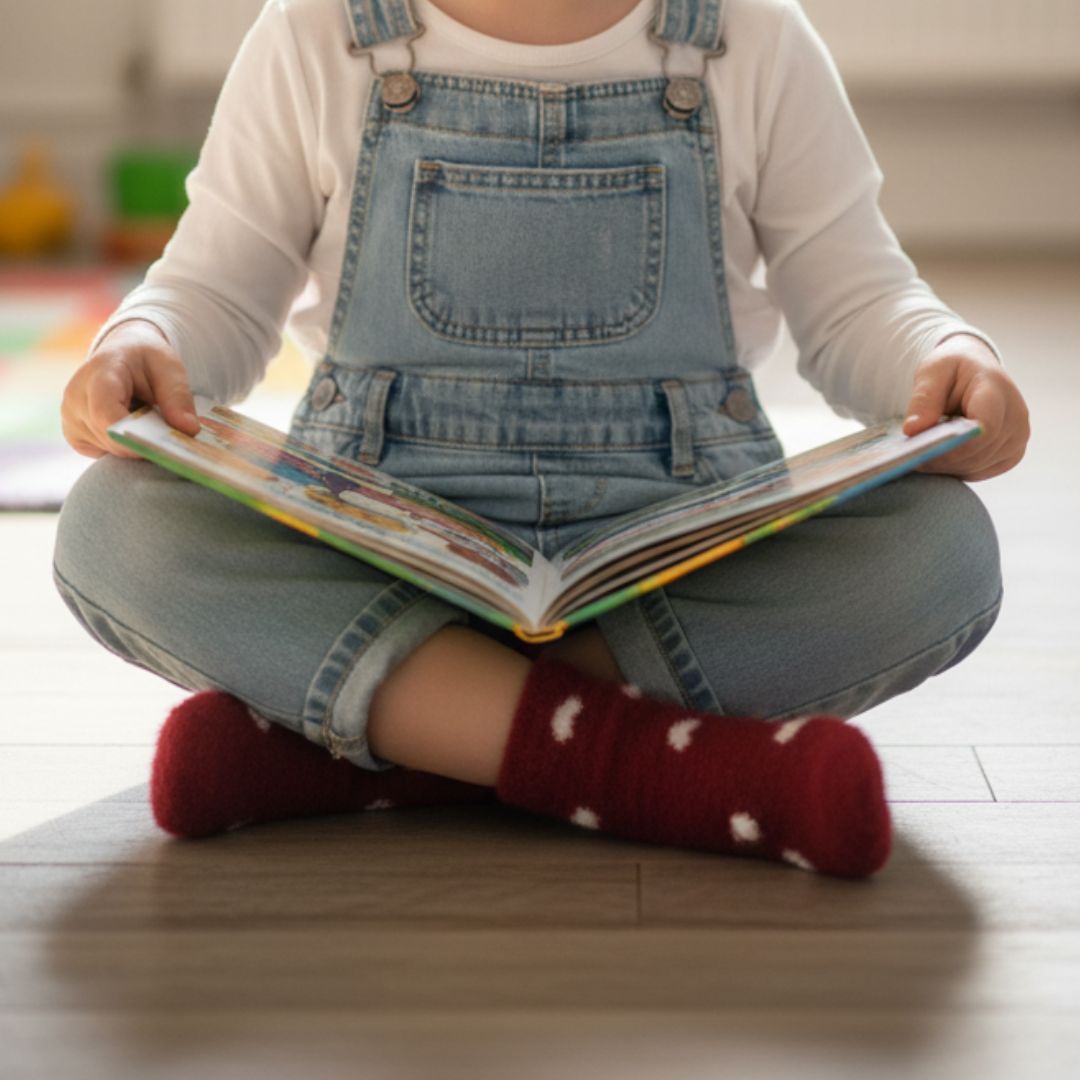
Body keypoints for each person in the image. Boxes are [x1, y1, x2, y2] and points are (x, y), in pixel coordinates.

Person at [53, 0, 1029, 879]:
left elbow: (857, 293)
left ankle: (406, 745)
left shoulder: (753, 35)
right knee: (114, 523)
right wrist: (145, 344)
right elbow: (216, 286)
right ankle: (654, 765)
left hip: (670, 567)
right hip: (379, 560)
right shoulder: (316, 31)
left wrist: (941, 359)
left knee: (942, 551)